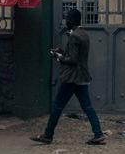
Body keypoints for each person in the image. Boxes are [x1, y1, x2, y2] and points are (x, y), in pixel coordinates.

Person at [31, 8, 105, 145]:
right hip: (81, 77)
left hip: (71, 78)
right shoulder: (83, 34)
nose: (66, 22)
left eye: (67, 20)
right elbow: (75, 55)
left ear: (71, 21)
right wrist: (62, 52)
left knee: (57, 106)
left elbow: (72, 60)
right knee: (88, 107)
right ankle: (98, 134)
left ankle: (48, 135)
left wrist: (58, 57)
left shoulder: (74, 36)